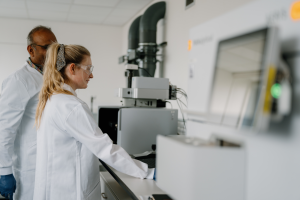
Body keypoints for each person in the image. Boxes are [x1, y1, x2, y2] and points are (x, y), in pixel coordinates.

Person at [33, 43, 155, 200]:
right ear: (72, 69)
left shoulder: (54, 99)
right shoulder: (71, 106)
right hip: (70, 192)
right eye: (88, 69)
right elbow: (105, 149)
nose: (91, 75)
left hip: (56, 188)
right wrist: (148, 172)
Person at [0, 26, 57, 200]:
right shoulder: (19, 80)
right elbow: (4, 129)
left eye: (56, 47)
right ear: (31, 49)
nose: (53, 52)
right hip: (29, 165)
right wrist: (4, 171)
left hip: (50, 163)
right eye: (47, 47)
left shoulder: (52, 77)